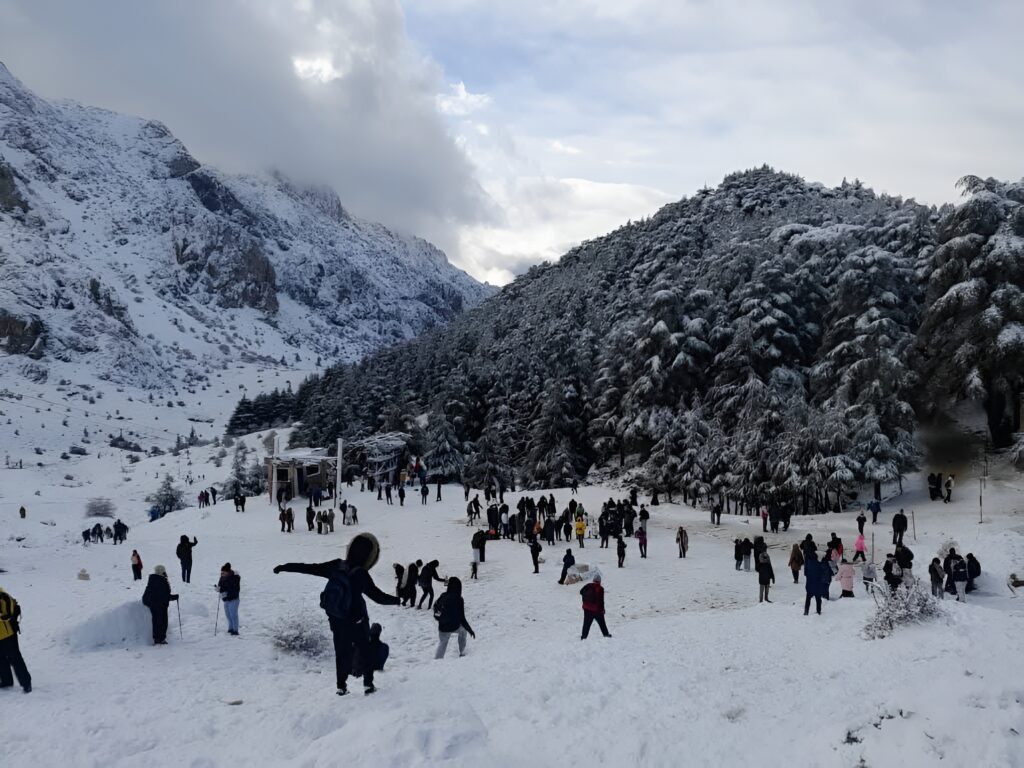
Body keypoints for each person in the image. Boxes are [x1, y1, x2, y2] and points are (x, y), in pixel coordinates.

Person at [273, 533, 399, 695]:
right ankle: (368, 685)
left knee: (341, 652)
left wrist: (284, 567)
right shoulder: (361, 574)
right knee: (365, 649)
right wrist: (398, 600)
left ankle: (341, 687)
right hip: (357, 621)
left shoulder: (336, 566)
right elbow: (378, 597)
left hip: (337, 619)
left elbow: (310, 568)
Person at [433, 577, 475, 658]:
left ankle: (437, 660)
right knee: (463, 631)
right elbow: (462, 618)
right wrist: (470, 630)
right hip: (454, 626)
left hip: (442, 627)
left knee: (443, 643)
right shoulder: (459, 599)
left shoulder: (443, 595)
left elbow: (435, 608)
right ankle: (462, 652)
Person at [0, 586, 31, 692]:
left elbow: (8, 615)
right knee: (1, 659)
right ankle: (6, 681)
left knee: (15, 658)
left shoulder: (4, 597)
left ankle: (26, 683)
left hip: (8, 634)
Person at [141, 565, 177, 645]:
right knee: (162, 622)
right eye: (164, 571)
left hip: (155, 604)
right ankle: (160, 639)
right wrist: (173, 597)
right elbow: (164, 595)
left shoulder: (154, 579)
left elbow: (161, 594)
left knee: (157, 621)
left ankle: (158, 638)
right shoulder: (161, 580)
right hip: (159, 605)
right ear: (162, 571)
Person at [580, 574, 611, 639]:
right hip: (596, 610)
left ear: (593, 580)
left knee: (586, 624)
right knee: (602, 623)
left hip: (587, 609)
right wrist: (602, 610)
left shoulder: (587, 585)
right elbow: (601, 601)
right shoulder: (600, 588)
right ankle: (606, 634)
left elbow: (581, 592)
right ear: (599, 581)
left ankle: (583, 637)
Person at [218, 563, 241, 636]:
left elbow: (234, 589)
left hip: (233, 599)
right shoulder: (222, 577)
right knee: (228, 615)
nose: (222, 574)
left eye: (223, 572)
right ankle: (230, 628)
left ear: (228, 572)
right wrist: (218, 589)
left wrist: (225, 592)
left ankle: (235, 630)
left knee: (233, 615)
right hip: (226, 599)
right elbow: (220, 586)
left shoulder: (234, 578)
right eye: (221, 572)